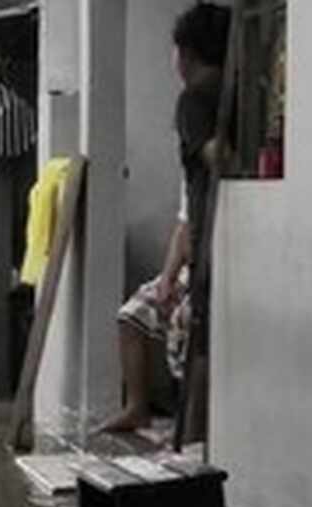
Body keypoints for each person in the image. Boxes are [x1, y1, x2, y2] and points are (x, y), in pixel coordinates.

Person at [97, 2, 231, 440]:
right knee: (141, 316)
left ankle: (189, 441)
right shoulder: (234, 96)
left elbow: (222, 162)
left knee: (196, 345)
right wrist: (168, 277)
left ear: (186, 54)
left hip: (215, 253)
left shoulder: (195, 102)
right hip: (203, 252)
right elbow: (184, 219)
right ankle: (141, 410)